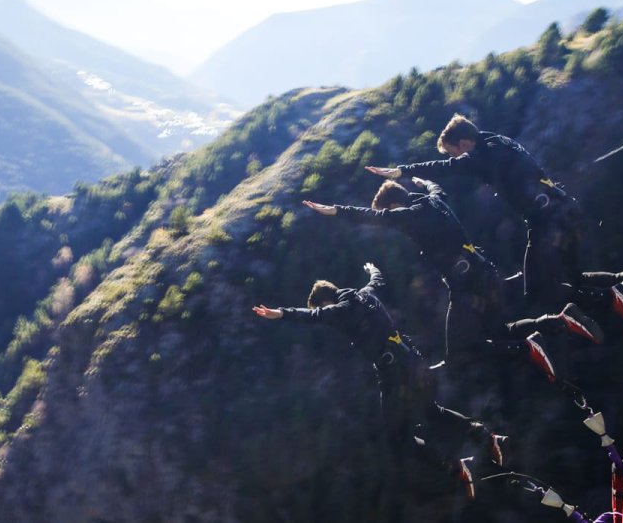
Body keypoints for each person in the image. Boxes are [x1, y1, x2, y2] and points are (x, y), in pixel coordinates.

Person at [302, 178, 605, 383]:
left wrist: (334, 211)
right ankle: (561, 320)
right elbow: (436, 186)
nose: (389, 220)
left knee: (459, 354)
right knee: (501, 331)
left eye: (389, 213)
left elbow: (369, 216)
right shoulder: (435, 201)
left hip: (466, 284)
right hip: (484, 270)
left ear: (394, 206)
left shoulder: (411, 214)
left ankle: (529, 348)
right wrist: (420, 179)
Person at [252, 263, 505, 498]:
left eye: (322, 306)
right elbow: (378, 280)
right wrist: (372, 269)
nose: (324, 312)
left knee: (397, 436)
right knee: (432, 411)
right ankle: (484, 434)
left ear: (326, 300)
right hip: (413, 361)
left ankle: (457, 468)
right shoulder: (366, 294)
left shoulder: (342, 309)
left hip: (393, 373)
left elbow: (313, 317)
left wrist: (280, 313)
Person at [365, 114, 581, 313]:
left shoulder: (478, 156)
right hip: (560, 207)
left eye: (453, 153)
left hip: (547, 220)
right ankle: (610, 294)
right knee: (571, 279)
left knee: (538, 291)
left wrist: (402, 171)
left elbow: (444, 168)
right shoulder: (497, 141)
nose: (455, 158)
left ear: (465, 144)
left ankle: (572, 315)